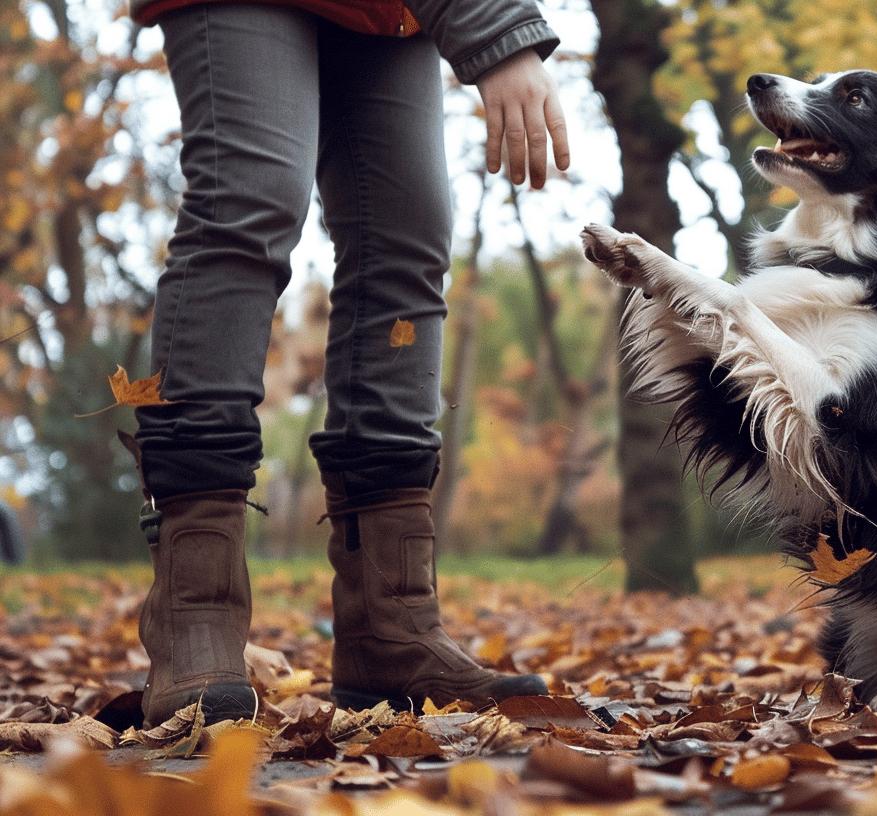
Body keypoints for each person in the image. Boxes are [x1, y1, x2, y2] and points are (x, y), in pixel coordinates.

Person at [123, 0, 570, 727]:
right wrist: (499, 38)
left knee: (409, 241)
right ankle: (194, 610)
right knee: (250, 201)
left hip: (385, 14)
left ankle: (391, 626)